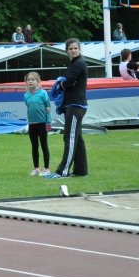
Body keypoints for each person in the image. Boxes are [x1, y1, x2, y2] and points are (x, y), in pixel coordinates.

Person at [44, 38, 88, 179]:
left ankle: (62, 172)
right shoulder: (73, 64)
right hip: (73, 105)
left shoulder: (79, 63)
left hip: (76, 106)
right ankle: (81, 171)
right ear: (66, 51)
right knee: (77, 139)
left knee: (69, 137)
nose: (73, 50)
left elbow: (69, 82)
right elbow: (69, 82)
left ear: (79, 49)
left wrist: (61, 84)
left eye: (75, 48)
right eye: (70, 49)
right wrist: (65, 83)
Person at [24, 72, 52, 176]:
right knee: (34, 146)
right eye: (28, 80)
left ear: (38, 81)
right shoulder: (26, 95)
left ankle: (46, 169)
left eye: (33, 79)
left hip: (42, 124)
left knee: (44, 145)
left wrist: (48, 122)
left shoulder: (43, 93)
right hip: (32, 124)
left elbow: (48, 108)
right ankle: (36, 168)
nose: (30, 81)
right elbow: (29, 108)